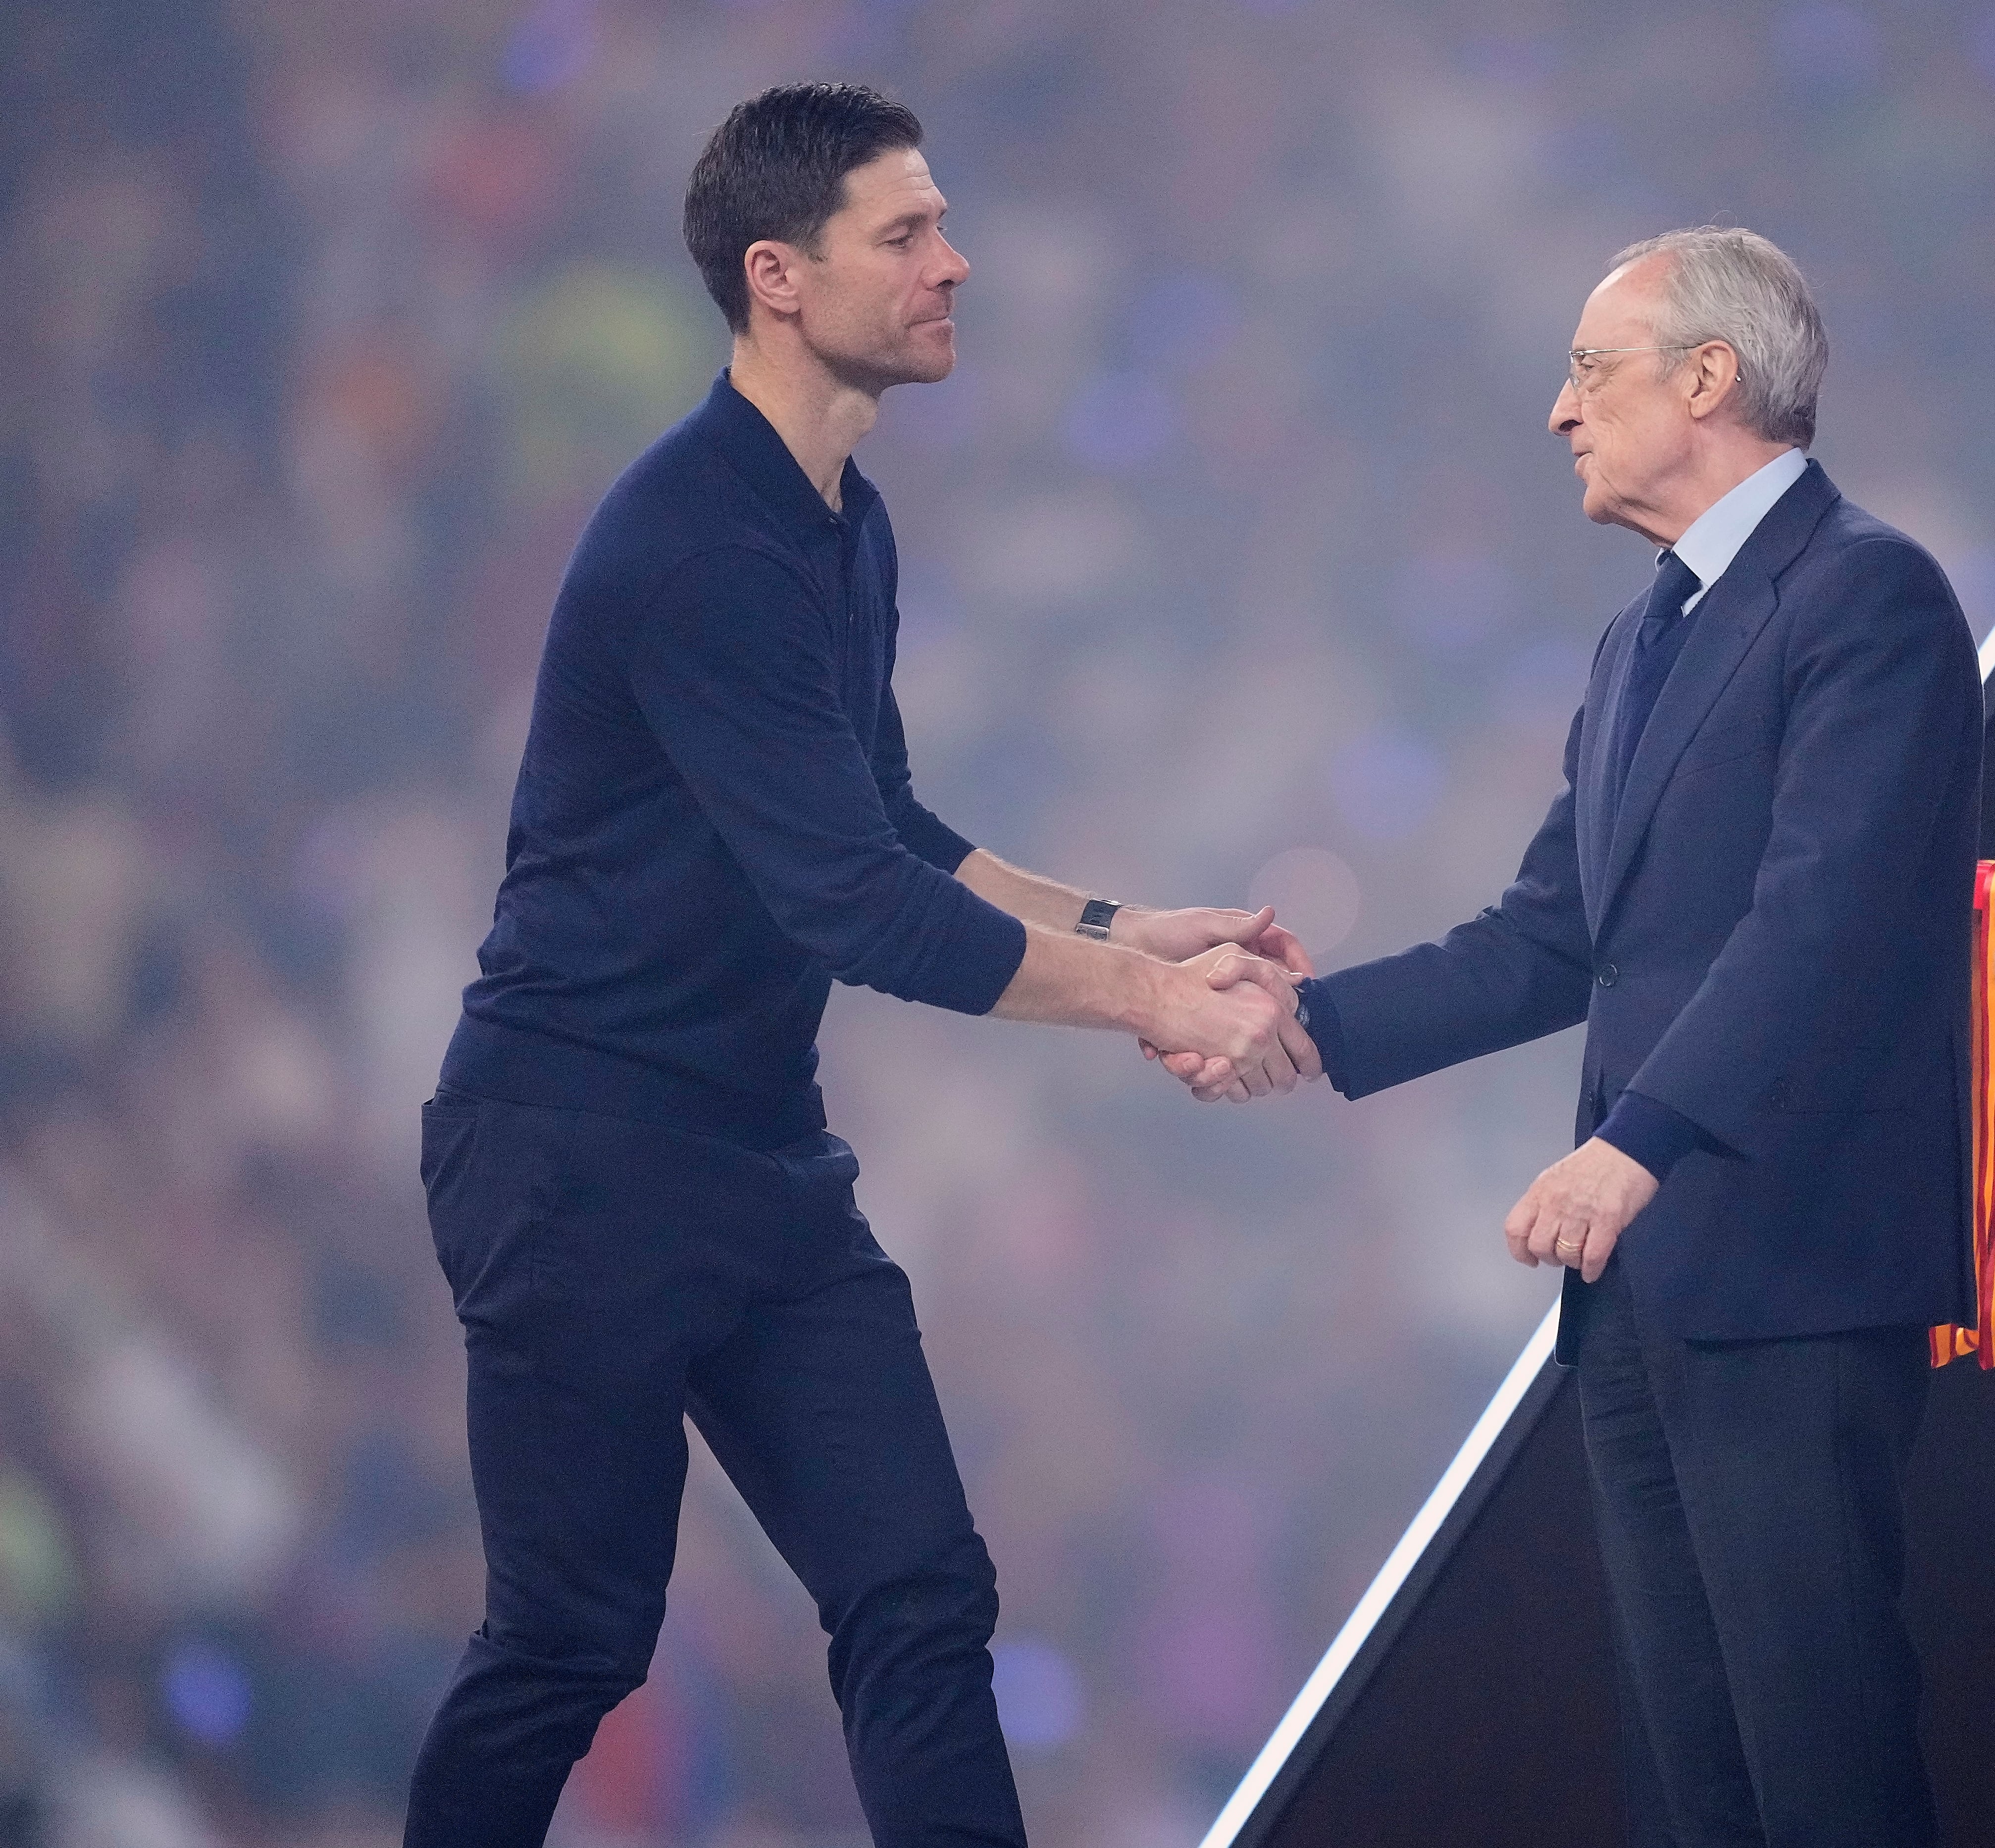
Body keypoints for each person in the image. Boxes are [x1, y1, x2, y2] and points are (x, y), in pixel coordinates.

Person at [407, 83, 1318, 1848]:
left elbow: (884, 819)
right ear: (776, 276)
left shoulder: (842, 520)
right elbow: (859, 910)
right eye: (905, 234)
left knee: (918, 1593)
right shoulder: (690, 542)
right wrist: (1147, 1006)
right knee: (570, 1640)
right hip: (571, 1157)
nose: (952, 262)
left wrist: (1130, 926)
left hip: (755, 1159)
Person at [1171, 228, 1979, 1847]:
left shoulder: (1865, 596)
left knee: (1821, 1768)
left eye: (1589, 369)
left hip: (1787, 1279)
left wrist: (1635, 1144)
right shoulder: (1639, 641)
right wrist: (1305, 1024)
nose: (1557, 410)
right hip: (1641, 1297)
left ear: (1709, 378)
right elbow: (1553, 936)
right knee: (1693, 1779)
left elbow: (1822, 924)